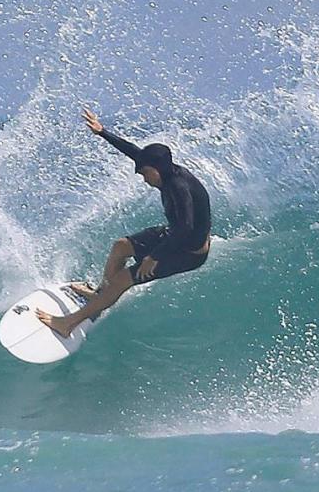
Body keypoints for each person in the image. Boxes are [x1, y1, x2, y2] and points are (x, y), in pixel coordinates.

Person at [36, 108, 212, 337]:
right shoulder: (164, 170)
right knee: (121, 246)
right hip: (175, 236)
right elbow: (134, 152)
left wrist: (154, 256)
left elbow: (186, 227)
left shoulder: (179, 187)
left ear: (156, 170)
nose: (143, 178)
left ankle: (68, 324)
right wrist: (102, 132)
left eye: (144, 173)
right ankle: (99, 294)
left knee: (121, 280)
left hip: (189, 252)